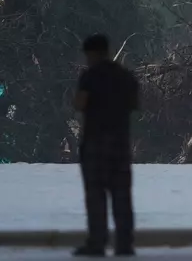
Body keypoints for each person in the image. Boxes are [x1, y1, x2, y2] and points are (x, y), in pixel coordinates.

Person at [72, 34, 140, 257]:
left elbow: (80, 103)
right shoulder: (125, 76)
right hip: (120, 143)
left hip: (95, 143)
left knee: (96, 197)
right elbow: (134, 104)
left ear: (91, 53)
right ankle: (124, 244)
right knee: (122, 196)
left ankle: (97, 243)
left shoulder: (90, 76)